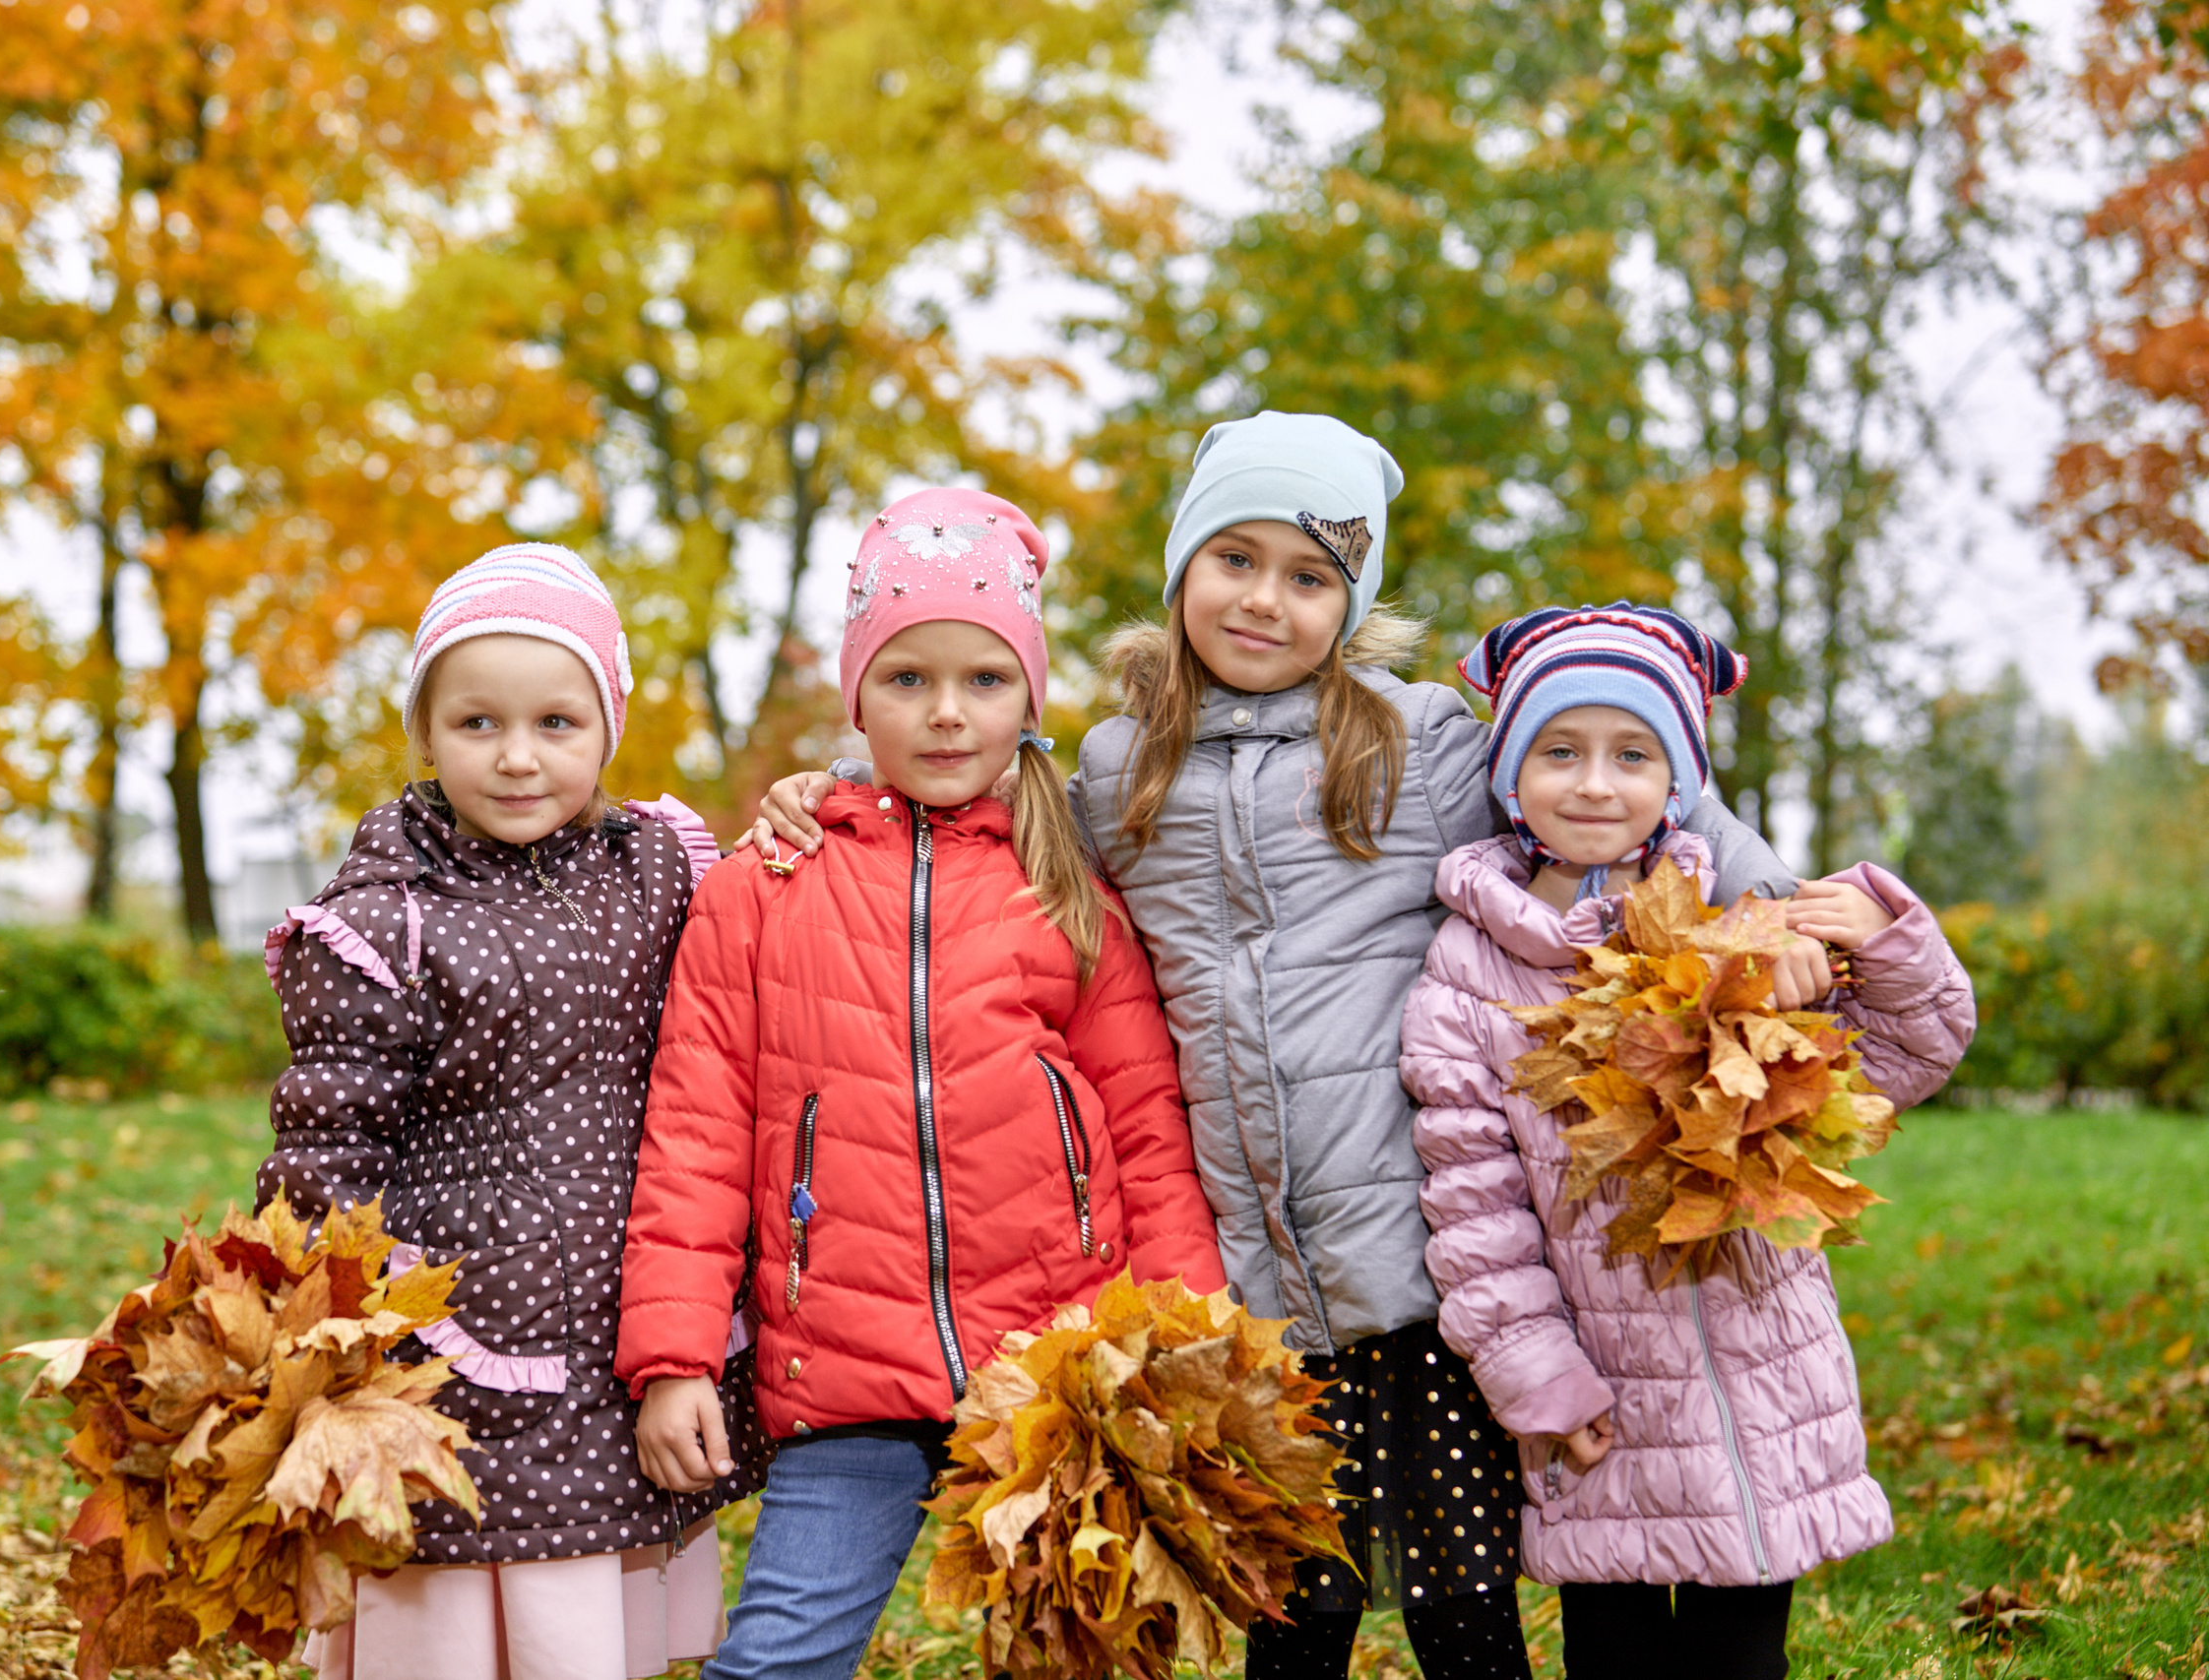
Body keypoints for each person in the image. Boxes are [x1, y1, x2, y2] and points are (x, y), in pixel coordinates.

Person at [746, 411, 1824, 1679]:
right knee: (1295, 1612)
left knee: (1460, 1606)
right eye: (1234, 559)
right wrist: (824, 784)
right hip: (1253, 1280)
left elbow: (1613, 785)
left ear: (1351, 601)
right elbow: (968, 786)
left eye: (1310, 577)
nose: (1265, 600)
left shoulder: (1421, 746)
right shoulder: (1115, 768)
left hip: (1432, 1266)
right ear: (1181, 568)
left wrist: (1775, 905)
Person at [614, 487, 1226, 1680]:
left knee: (1085, 1657)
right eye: (906, 680)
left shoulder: (1067, 891)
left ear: (1029, 701)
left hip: (1059, 1372)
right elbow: (691, 1136)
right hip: (845, 1370)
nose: (947, 714)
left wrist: (1185, 1340)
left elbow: (1148, 1134)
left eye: (986, 681)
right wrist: (676, 1358)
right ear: (856, 697)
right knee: (778, 1656)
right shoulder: (763, 886)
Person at [1399, 604, 1975, 1680]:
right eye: (1556, 751)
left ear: (1679, 780)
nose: (1592, 783)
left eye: (1632, 754)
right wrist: (1540, 1381)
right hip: (1604, 1393)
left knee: (1740, 1650)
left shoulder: (1739, 924)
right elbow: (1474, 1214)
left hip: (1761, 1371)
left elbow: (1896, 1067)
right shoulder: (1467, 977)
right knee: (1612, 1650)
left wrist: (1888, 946)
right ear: (1509, 771)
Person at [257, 545, 762, 1680]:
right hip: (456, 1339)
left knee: (593, 1616)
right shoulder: (387, 921)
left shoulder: (663, 872)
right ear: (427, 734)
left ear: (606, 731)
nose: (520, 757)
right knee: (458, 1601)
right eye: (478, 723)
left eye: (557, 724)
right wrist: (327, 1340)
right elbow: (324, 1149)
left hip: (620, 1317)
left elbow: (767, 957)